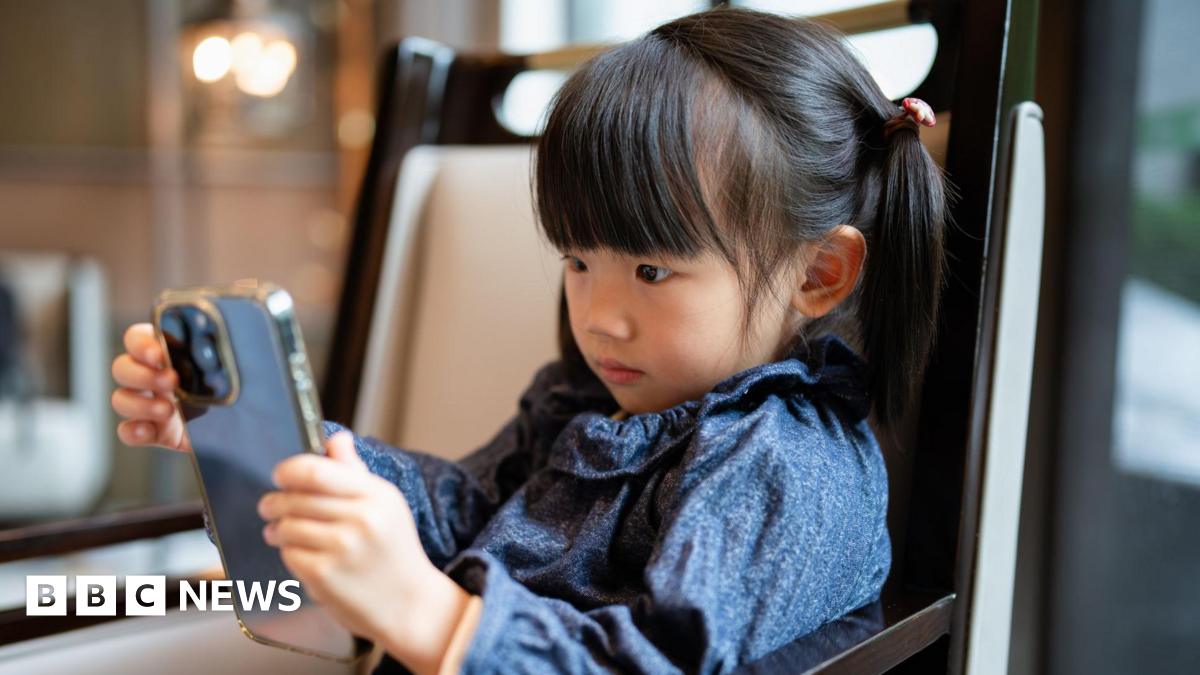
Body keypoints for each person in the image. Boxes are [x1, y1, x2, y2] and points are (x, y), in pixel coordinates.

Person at [110, 7, 950, 674]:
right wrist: (261, 446)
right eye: (579, 261)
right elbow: (459, 508)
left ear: (819, 274)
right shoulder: (582, 402)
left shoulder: (785, 462)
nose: (601, 315)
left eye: (651, 270)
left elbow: (657, 662)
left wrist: (429, 612)